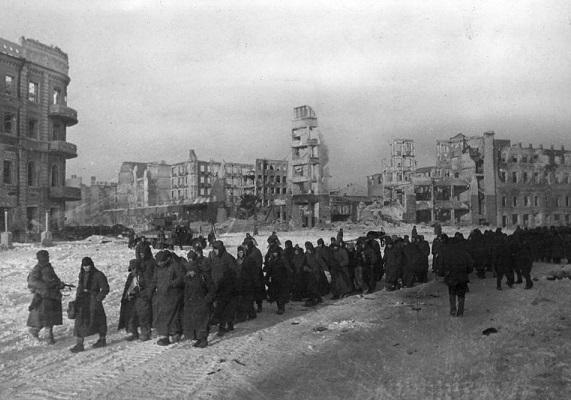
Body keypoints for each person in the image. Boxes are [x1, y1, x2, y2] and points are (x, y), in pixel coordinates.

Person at [70, 257, 110, 353]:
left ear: (91, 265)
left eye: (87, 266)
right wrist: (77, 299)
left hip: (93, 301)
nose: (86, 268)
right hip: (83, 300)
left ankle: (102, 340)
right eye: (84, 266)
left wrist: (98, 298)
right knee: (80, 322)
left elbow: (105, 288)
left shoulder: (98, 274)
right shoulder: (82, 274)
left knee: (99, 320)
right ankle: (80, 344)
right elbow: (80, 287)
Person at [27, 250, 65, 344]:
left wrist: (59, 284)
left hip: (52, 295)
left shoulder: (48, 267)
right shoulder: (37, 268)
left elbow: (54, 278)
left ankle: (37, 332)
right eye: (44, 257)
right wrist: (45, 286)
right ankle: (46, 336)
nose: (46, 258)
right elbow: (32, 281)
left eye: (47, 256)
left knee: (50, 317)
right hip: (43, 296)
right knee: (45, 317)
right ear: (39, 258)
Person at [149, 250, 185, 346]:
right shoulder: (157, 268)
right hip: (161, 294)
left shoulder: (175, 265)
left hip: (173, 294)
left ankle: (174, 332)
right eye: (158, 262)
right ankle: (164, 335)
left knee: (171, 315)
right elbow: (154, 280)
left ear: (167, 259)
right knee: (161, 314)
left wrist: (172, 284)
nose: (159, 263)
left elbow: (181, 277)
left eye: (161, 261)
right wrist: (150, 291)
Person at [118, 257, 155, 342]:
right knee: (131, 316)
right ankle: (132, 332)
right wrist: (126, 296)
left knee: (143, 316)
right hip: (132, 299)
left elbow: (149, 288)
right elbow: (127, 287)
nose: (133, 271)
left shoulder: (145, 275)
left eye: (134, 269)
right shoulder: (131, 276)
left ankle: (145, 333)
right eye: (131, 269)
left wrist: (141, 293)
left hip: (142, 298)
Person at [182, 254, 215, 348]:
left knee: (203, 322)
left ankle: (203, 339)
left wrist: (206, 300)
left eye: (191, 271)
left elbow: (212, 289)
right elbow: (186, 291)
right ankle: (198, 338)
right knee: (195, 321)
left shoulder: (204, 276)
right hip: (192, 303)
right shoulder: (188, 278)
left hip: (203, 302)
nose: (190, 273)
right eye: (189, 271)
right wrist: (186, 301)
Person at [441, 235, 474, 317]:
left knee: (452, 293)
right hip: (462, 276)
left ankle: (453, 309)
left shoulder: (448, 253)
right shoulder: (464, 253)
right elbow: (470, 265)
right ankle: (460, 312)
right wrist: (467, 272)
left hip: (451, 276)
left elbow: (444, 264)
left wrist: (445, 273)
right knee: (461, 294)